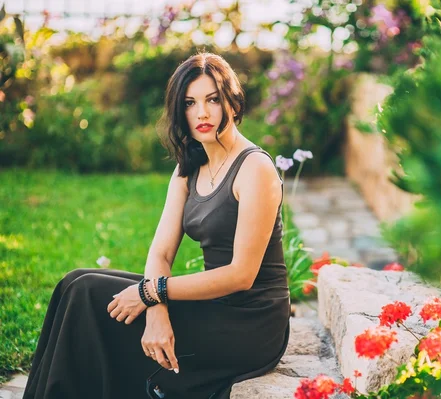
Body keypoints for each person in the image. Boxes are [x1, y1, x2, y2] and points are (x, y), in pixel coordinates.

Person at [23, 52, 291, 399]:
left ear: (233, 103)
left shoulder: (254, 168)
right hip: (210, 304)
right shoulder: (188, 168)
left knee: (88, 295)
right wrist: (156, 310)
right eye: (190, 103)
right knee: (74, 282)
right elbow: (161, 253)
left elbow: (242, 274)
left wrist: (151, 292)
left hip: (250, 322)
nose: (202, 113)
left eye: (213, 100)